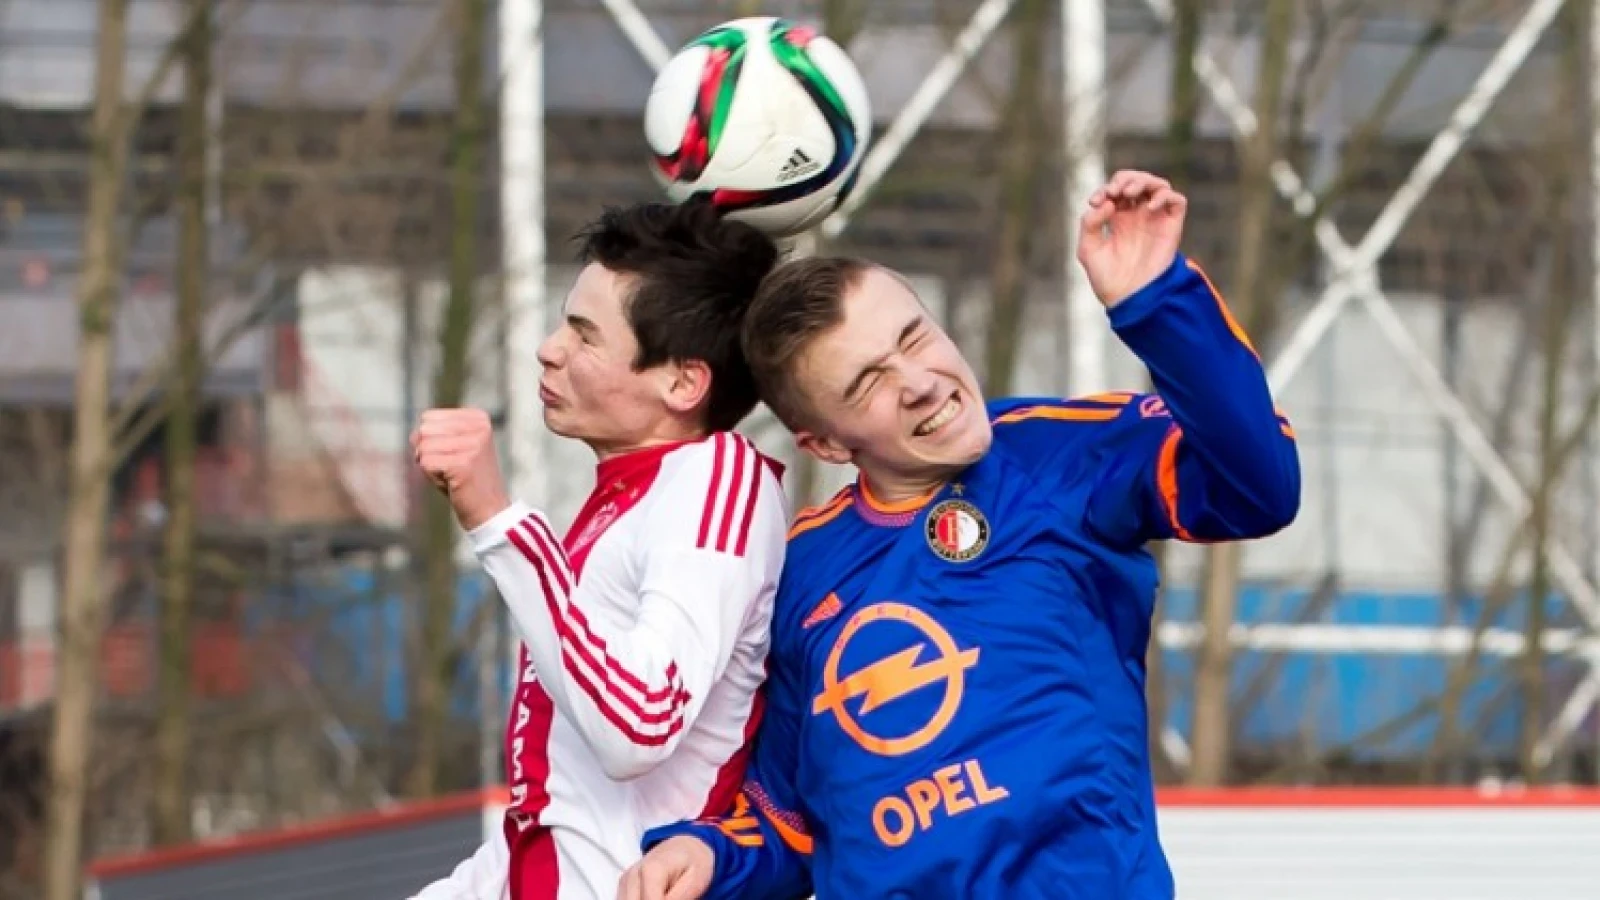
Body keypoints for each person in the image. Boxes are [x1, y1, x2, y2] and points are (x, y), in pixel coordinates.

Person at [616, 170, 1301, 900]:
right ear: (824, 445)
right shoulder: (800, 571)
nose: (919, 380)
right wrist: (711, 856)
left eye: (915, 337)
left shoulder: (1054, 460)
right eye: (869, 382)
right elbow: (789, 820)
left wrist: (1156, 301)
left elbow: (1257, 488)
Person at [408, 199, 791, 900]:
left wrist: (496, 519)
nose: (549, 348)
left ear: (682, 382)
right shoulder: (625, 498)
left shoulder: (717, 477)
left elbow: (636, 725)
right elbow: (555, 817)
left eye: (584, 336)